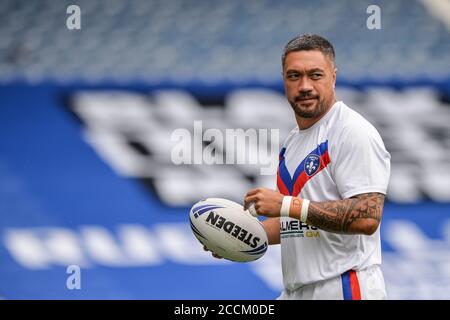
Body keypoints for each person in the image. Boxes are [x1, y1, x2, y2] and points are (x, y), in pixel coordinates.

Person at [206, 34, 391, 300]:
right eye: (294, 76)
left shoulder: (352, 131)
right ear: (284, 80)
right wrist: (237, 235)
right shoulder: (293, 141)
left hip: (344, 286)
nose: (305, 86)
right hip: (297, 290)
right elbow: (300, 224)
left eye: (315, 75)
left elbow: (367, 216)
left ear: (333, 76)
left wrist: (285, 204)